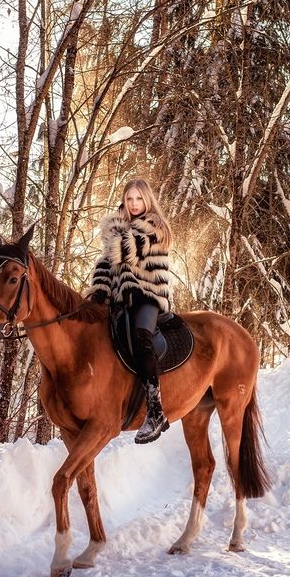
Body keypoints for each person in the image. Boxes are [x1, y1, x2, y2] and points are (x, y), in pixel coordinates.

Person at [84, 179, 173, 444]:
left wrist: (113, 231)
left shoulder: (153, 226)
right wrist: (99, 291)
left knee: (141, 336)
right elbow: (105, 264)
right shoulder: (122, 228)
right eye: (129, 199)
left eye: (138, 199)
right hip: (122, 299)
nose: (134, 204)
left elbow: (122, 251)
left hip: (147, 294)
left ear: (147, 200)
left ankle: (155, 411)